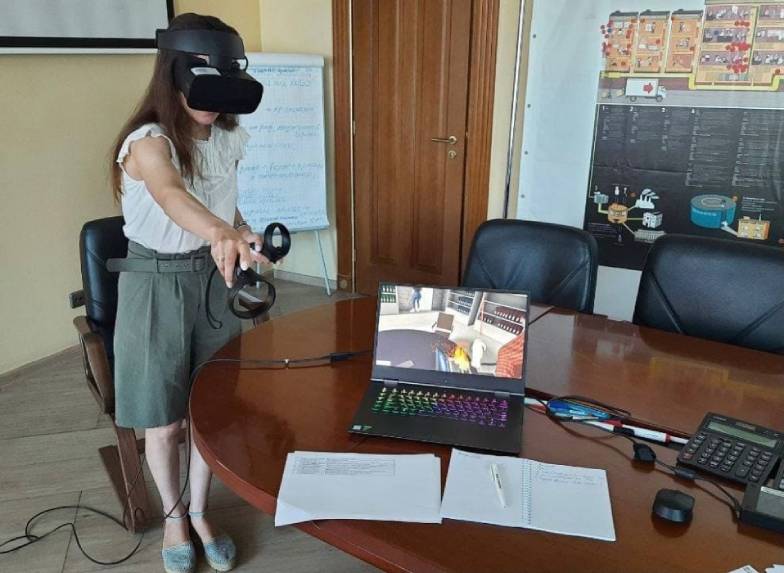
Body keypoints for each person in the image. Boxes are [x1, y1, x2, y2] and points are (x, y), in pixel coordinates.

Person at [109, 13, 266, 573]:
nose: (214, 103)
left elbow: (223, 200)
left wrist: (239, 230)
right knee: (165, 419)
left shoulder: (225, 137)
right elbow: (172, 194)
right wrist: (219, 231)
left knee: (210, 410)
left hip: (213, 276)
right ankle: (173, 518)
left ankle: (200, 511)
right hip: (155, 282)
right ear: (174, 74)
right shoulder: (147, 143)